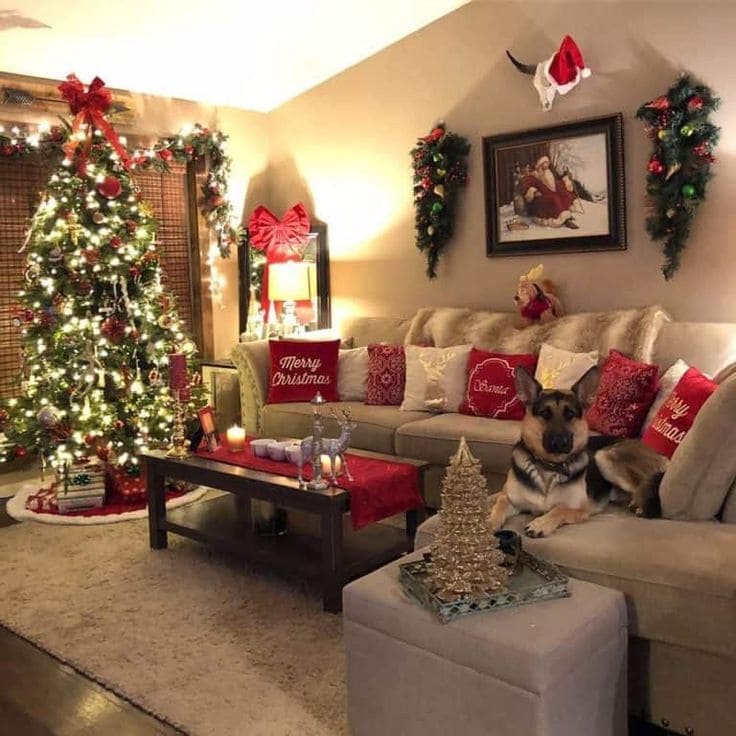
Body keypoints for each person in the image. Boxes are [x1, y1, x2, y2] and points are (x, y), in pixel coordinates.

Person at [518, 155, 579, 229]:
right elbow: (526, 187)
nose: (546, 165)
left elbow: (553, 184)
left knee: (564, 195)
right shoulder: (533, 175)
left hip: (549, 193)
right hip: (539, 197)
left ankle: (565, 215)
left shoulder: (547, 173)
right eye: (544, 163)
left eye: (547, 163)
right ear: (540, 165)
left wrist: (566, 179)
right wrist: (533, 191)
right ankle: (566, 220)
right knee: (553, 199)